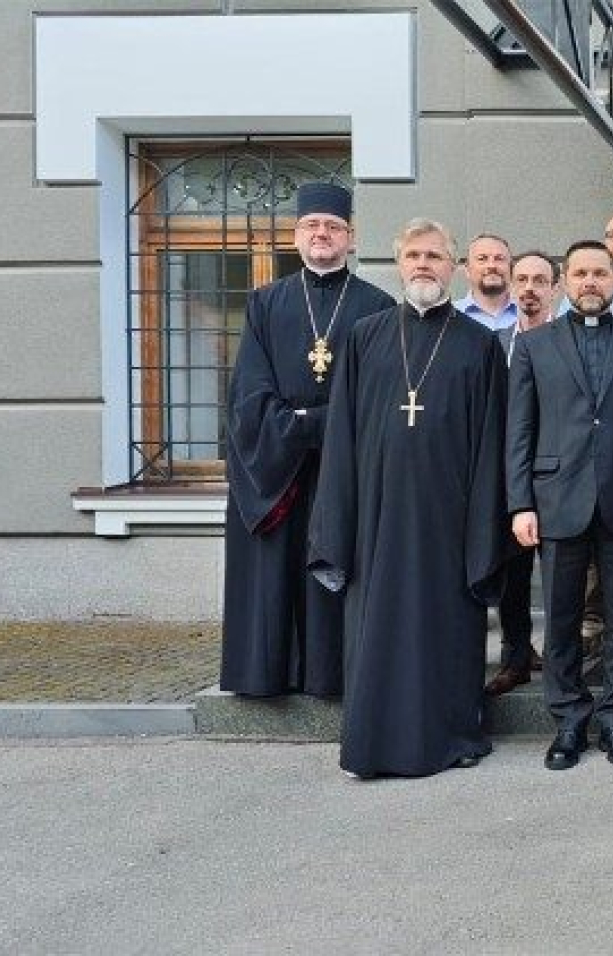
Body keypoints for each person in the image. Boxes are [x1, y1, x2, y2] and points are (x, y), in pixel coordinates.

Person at [308, 218, 509, 779]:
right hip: (377, 517)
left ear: (454, 267)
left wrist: (483, 530)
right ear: (399, 263)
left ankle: (451, 736)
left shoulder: (480, 345)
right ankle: (373, 742)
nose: (424, 265)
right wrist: (338, 523)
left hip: (450, 518)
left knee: (445, 628)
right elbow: (341, 437)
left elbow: (493, 443)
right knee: (378, 627)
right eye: (414, 255)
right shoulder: (366, 337)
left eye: (436, 256)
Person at [221, 182, 393, 698]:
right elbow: (249, 393)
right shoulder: (265, 303)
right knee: (274, 571)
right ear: (296, 236)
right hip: (276, 467)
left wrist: (315, 424)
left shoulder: (377, 306)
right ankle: (267, 676)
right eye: (312, 226)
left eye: (333, 227)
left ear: (350, 238)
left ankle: (329, 677)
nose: (323, 235)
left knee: (335, 569)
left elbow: (377, 398)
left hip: (344, 466)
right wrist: (301, 428)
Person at [508, 241, 613, 770]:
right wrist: (520, 504)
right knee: (561, 617)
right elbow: (520, 432)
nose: (590, 281)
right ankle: (569, 723)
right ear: (563, 282)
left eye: (600, 273)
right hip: (556, 499)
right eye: (579, 273)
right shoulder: (534, 347)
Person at [484, 250, 557, 696]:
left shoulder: (569, 338)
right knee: (513, 575)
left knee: (568, 575)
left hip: (562, 475)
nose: (529, 288)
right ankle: (516, 656)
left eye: (539, 280)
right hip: (511, 476)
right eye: (522, 279)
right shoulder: (495, 347)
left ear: (555, 287)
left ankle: (566, 653)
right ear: (511, 286)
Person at [456, 234, 519, 332]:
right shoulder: (448, 317)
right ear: (467, 270)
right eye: (482, 259)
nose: (492, 265)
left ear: (511, 268)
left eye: (499, 259)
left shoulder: (529, 315)